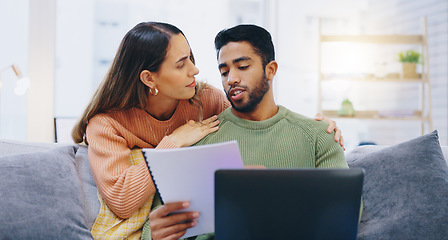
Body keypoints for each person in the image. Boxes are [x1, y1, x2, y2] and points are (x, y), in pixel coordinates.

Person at [71, 22, 342, 239]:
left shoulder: (205, 100)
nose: (195, 70)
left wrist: (318, 127)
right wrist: (174, 142)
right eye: (181, 64)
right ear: (148, 78)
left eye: (190, 58)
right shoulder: (107, 124)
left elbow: (256, 112)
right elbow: (123, 201)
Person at [146, 24, 349, 240]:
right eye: (224, 72)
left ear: (270, 69)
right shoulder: (200, 138)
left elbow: (344, 214)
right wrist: (155, 234)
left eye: (242, 66)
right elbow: (153, 225)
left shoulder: (318, 135)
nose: (231, 79)